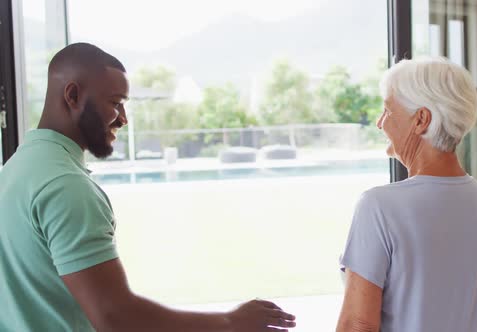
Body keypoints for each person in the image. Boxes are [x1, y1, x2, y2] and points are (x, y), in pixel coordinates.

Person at [0, 43, 296, 332]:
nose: (124, 120)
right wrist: (231, 323)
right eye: (115, 103)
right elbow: (115, 317)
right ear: (73, 95)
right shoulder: (66, 186)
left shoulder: (16, 169)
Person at [336, 57, 477, 332]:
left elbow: (357, 325)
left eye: (387, 111)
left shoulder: (379, 207)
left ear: (421, 120)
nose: (379, 123)